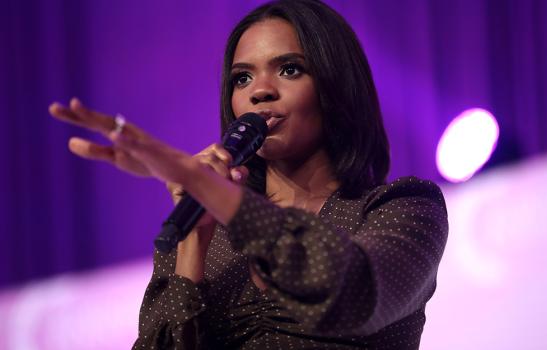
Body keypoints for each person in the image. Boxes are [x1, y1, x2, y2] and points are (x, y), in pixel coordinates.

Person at [49, 0, 448, 348]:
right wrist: (192, 243)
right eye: (242, 78)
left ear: (336, 84)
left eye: (290, 69)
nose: (260, 91)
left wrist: (216, 192)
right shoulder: (204, 230)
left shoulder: (402, 208)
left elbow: (353, 292)